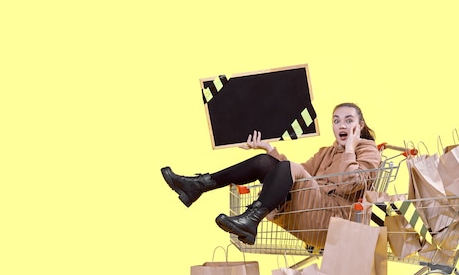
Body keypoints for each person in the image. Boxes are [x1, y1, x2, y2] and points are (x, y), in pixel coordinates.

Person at [161, 102, 381, 246]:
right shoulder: (327, 151)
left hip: (333, 224)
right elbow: (292, 175)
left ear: (360, 125)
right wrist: (268, 148)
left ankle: (250, 218)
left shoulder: (368, 150)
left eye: (349, 120)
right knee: (266, 162)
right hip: (309, 214)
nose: (341, 125)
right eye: (336, 120)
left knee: (289, 167)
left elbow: (353, 184)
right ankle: (199, 185)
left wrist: (351, 147)